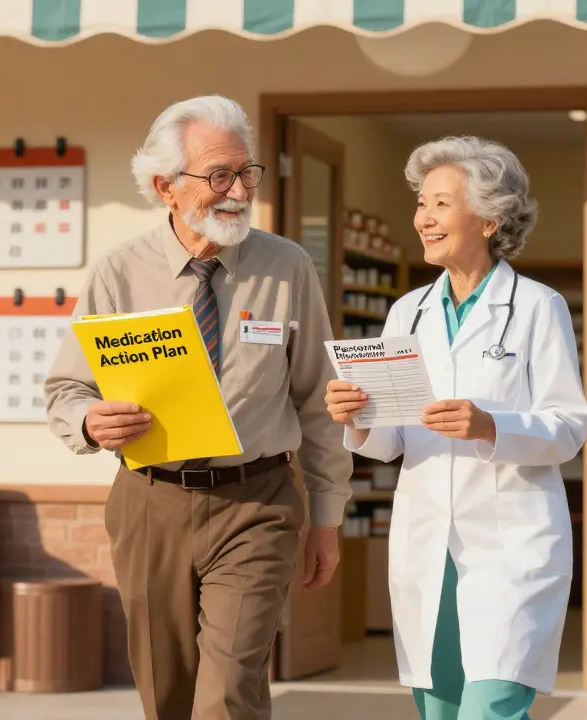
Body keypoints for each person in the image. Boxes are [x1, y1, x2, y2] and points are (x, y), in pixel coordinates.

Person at [43, 95, 353, 720]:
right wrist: (88, 420)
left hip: (258, 501)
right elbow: (66, 390)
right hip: (149, 502)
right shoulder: (117, 273)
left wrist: (326, 517)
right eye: (219, 175)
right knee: (168, 692)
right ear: (166, 188)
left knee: (229, 690)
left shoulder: (287, 266)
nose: (239, 189)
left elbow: (318, 400)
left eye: (246, 172)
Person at [323, 136, 587, 720]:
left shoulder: (538, 308)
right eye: (422, 203)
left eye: (441, 203)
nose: (423, 218)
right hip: (428, 544)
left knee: (489, 709)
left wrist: (491, 425)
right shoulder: (407, 311)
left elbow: (568, 427)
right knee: (439, 710)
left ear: (490, 218)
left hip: (509, 544)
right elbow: (391, 439)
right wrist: (357, 418)